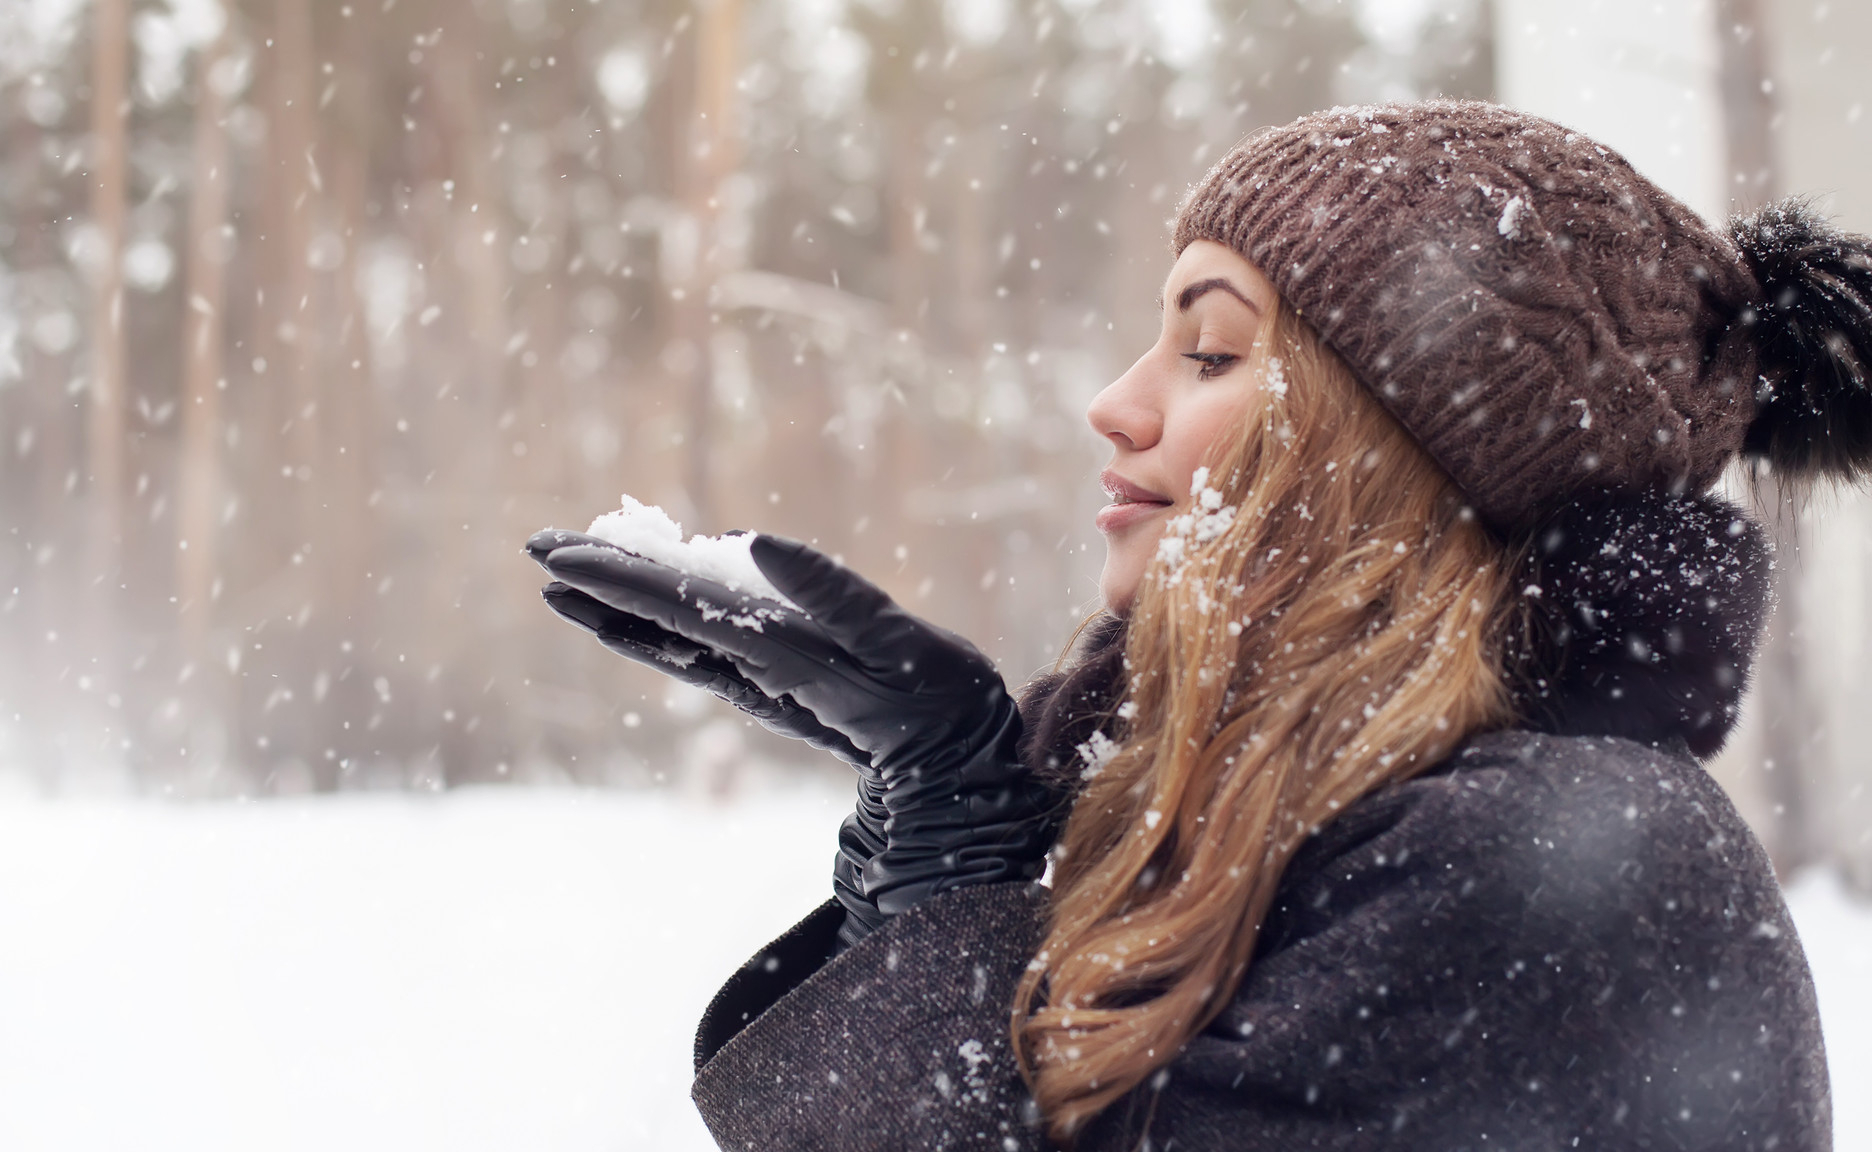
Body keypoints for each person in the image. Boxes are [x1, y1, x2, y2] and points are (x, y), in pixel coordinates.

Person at [527, 101, 1859, 1149]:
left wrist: (954, 900)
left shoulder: (1561, 873)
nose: (1115, 402)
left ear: (1403, 454)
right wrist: (940, 866)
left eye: (1210, 352)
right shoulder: (1299, 822)